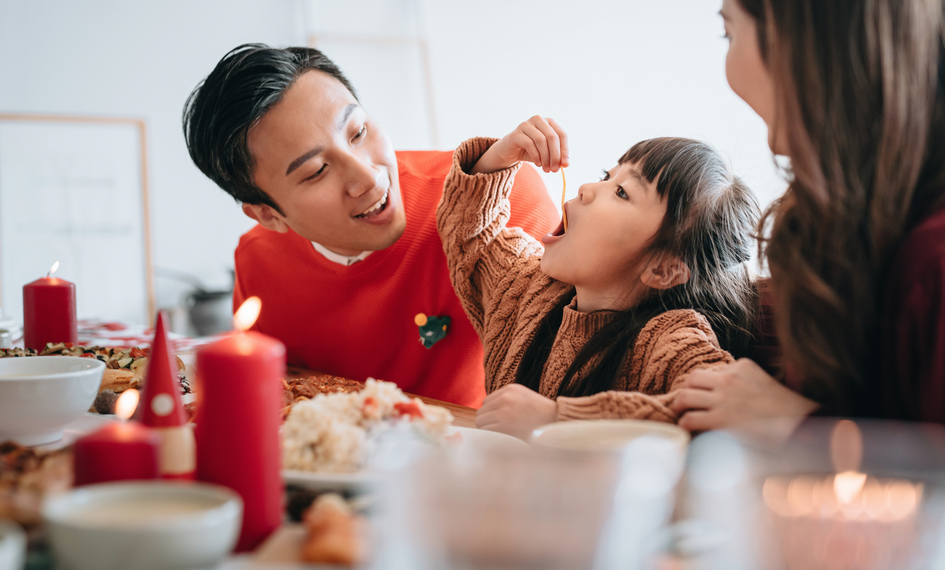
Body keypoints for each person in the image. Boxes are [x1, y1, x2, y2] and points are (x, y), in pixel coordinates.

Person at [673, 0, 945, 433]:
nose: (729, 73)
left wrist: (800, 427)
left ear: (806, 35)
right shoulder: (847, 228)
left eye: (730, 29)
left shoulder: (933, 256)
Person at [182, 44, 558, 408]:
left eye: (358, 132)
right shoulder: (261, 263)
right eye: (316, 171)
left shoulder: (501, 202)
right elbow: (273, 403)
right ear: (269, 215)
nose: (369, 178)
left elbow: (564, 377)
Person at [435, 116, 759, 438]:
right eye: (605, 175)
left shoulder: (671, 341)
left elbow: (726, 413)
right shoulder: (527, 289)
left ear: (662, 268)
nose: (586, 188)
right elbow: (472, 237)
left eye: (621, 192)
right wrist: (500, 156)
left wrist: (558, 421)